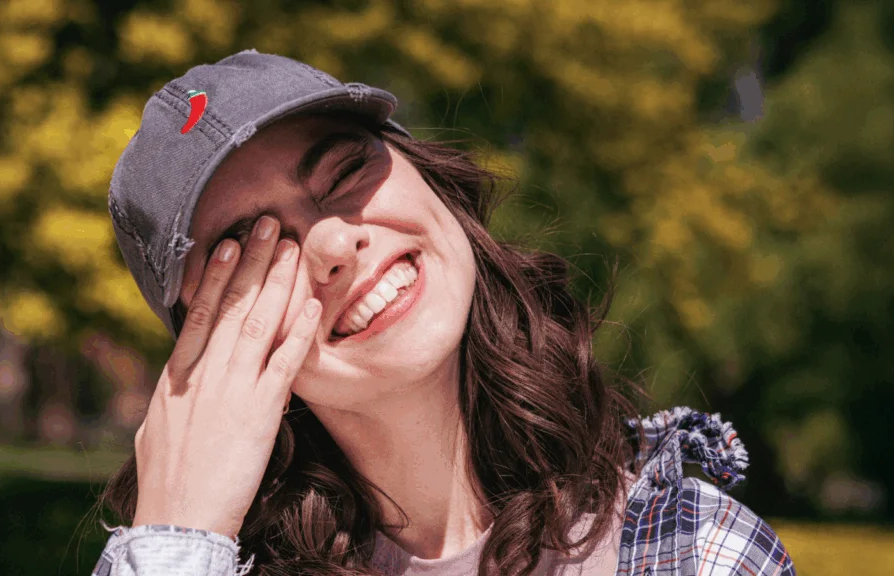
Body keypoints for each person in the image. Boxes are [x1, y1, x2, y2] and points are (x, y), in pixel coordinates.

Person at [91, 50, 795, 576]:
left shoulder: (694, 552)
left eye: (345, 173)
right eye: (251, 250)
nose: (335, 242)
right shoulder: (170, 558)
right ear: (208, 351)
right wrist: (178, 543)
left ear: (427, 176)